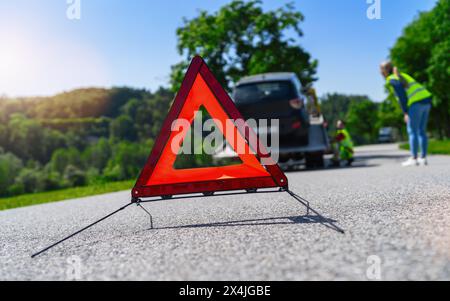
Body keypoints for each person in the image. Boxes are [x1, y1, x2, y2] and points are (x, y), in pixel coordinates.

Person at [380, 61, 433, 167]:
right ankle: (423, 158)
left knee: (412, 131)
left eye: (380, 69)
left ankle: (414, 158)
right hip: (426, 100)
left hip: (415, 103)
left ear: (385, 71)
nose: (380, 72)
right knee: (421, 131)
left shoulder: (392, 79)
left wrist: (405, 112)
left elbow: (402, 96)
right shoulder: (402, 75)